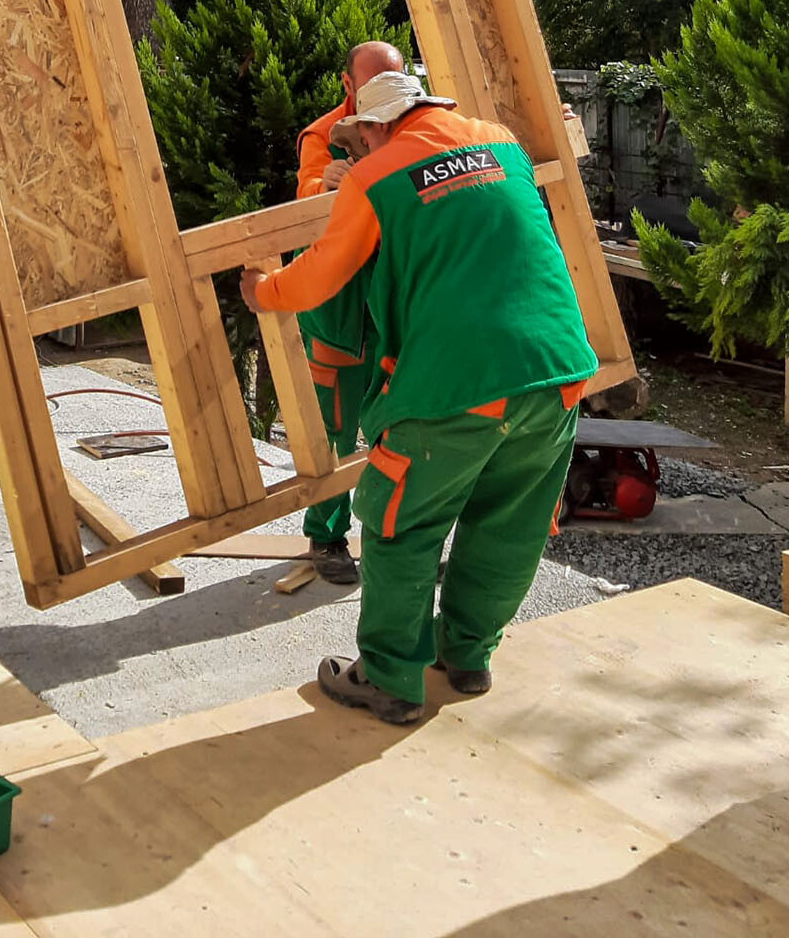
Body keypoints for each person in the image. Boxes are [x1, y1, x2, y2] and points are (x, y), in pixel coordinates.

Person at [242, 53, 595, 726]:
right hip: (555, 374)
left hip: (456, 383)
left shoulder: (374, 174)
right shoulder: (497, 141)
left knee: (398, 527)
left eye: (364, 135)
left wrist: (262, 292)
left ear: (375, 125)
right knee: (507, 529)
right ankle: (467, 658)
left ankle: (388, 678)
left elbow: (320, 276)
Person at [291, 41, 407, 583]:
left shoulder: (410, 125)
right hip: (337, 308)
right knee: (334, 429)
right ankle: (326, 537)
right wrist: (324, 186)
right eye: (372, 83)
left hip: (389, 310)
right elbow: (303, 203)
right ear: (347, 86)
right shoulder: (321, 135)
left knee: (402, 428)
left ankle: (396, 538)